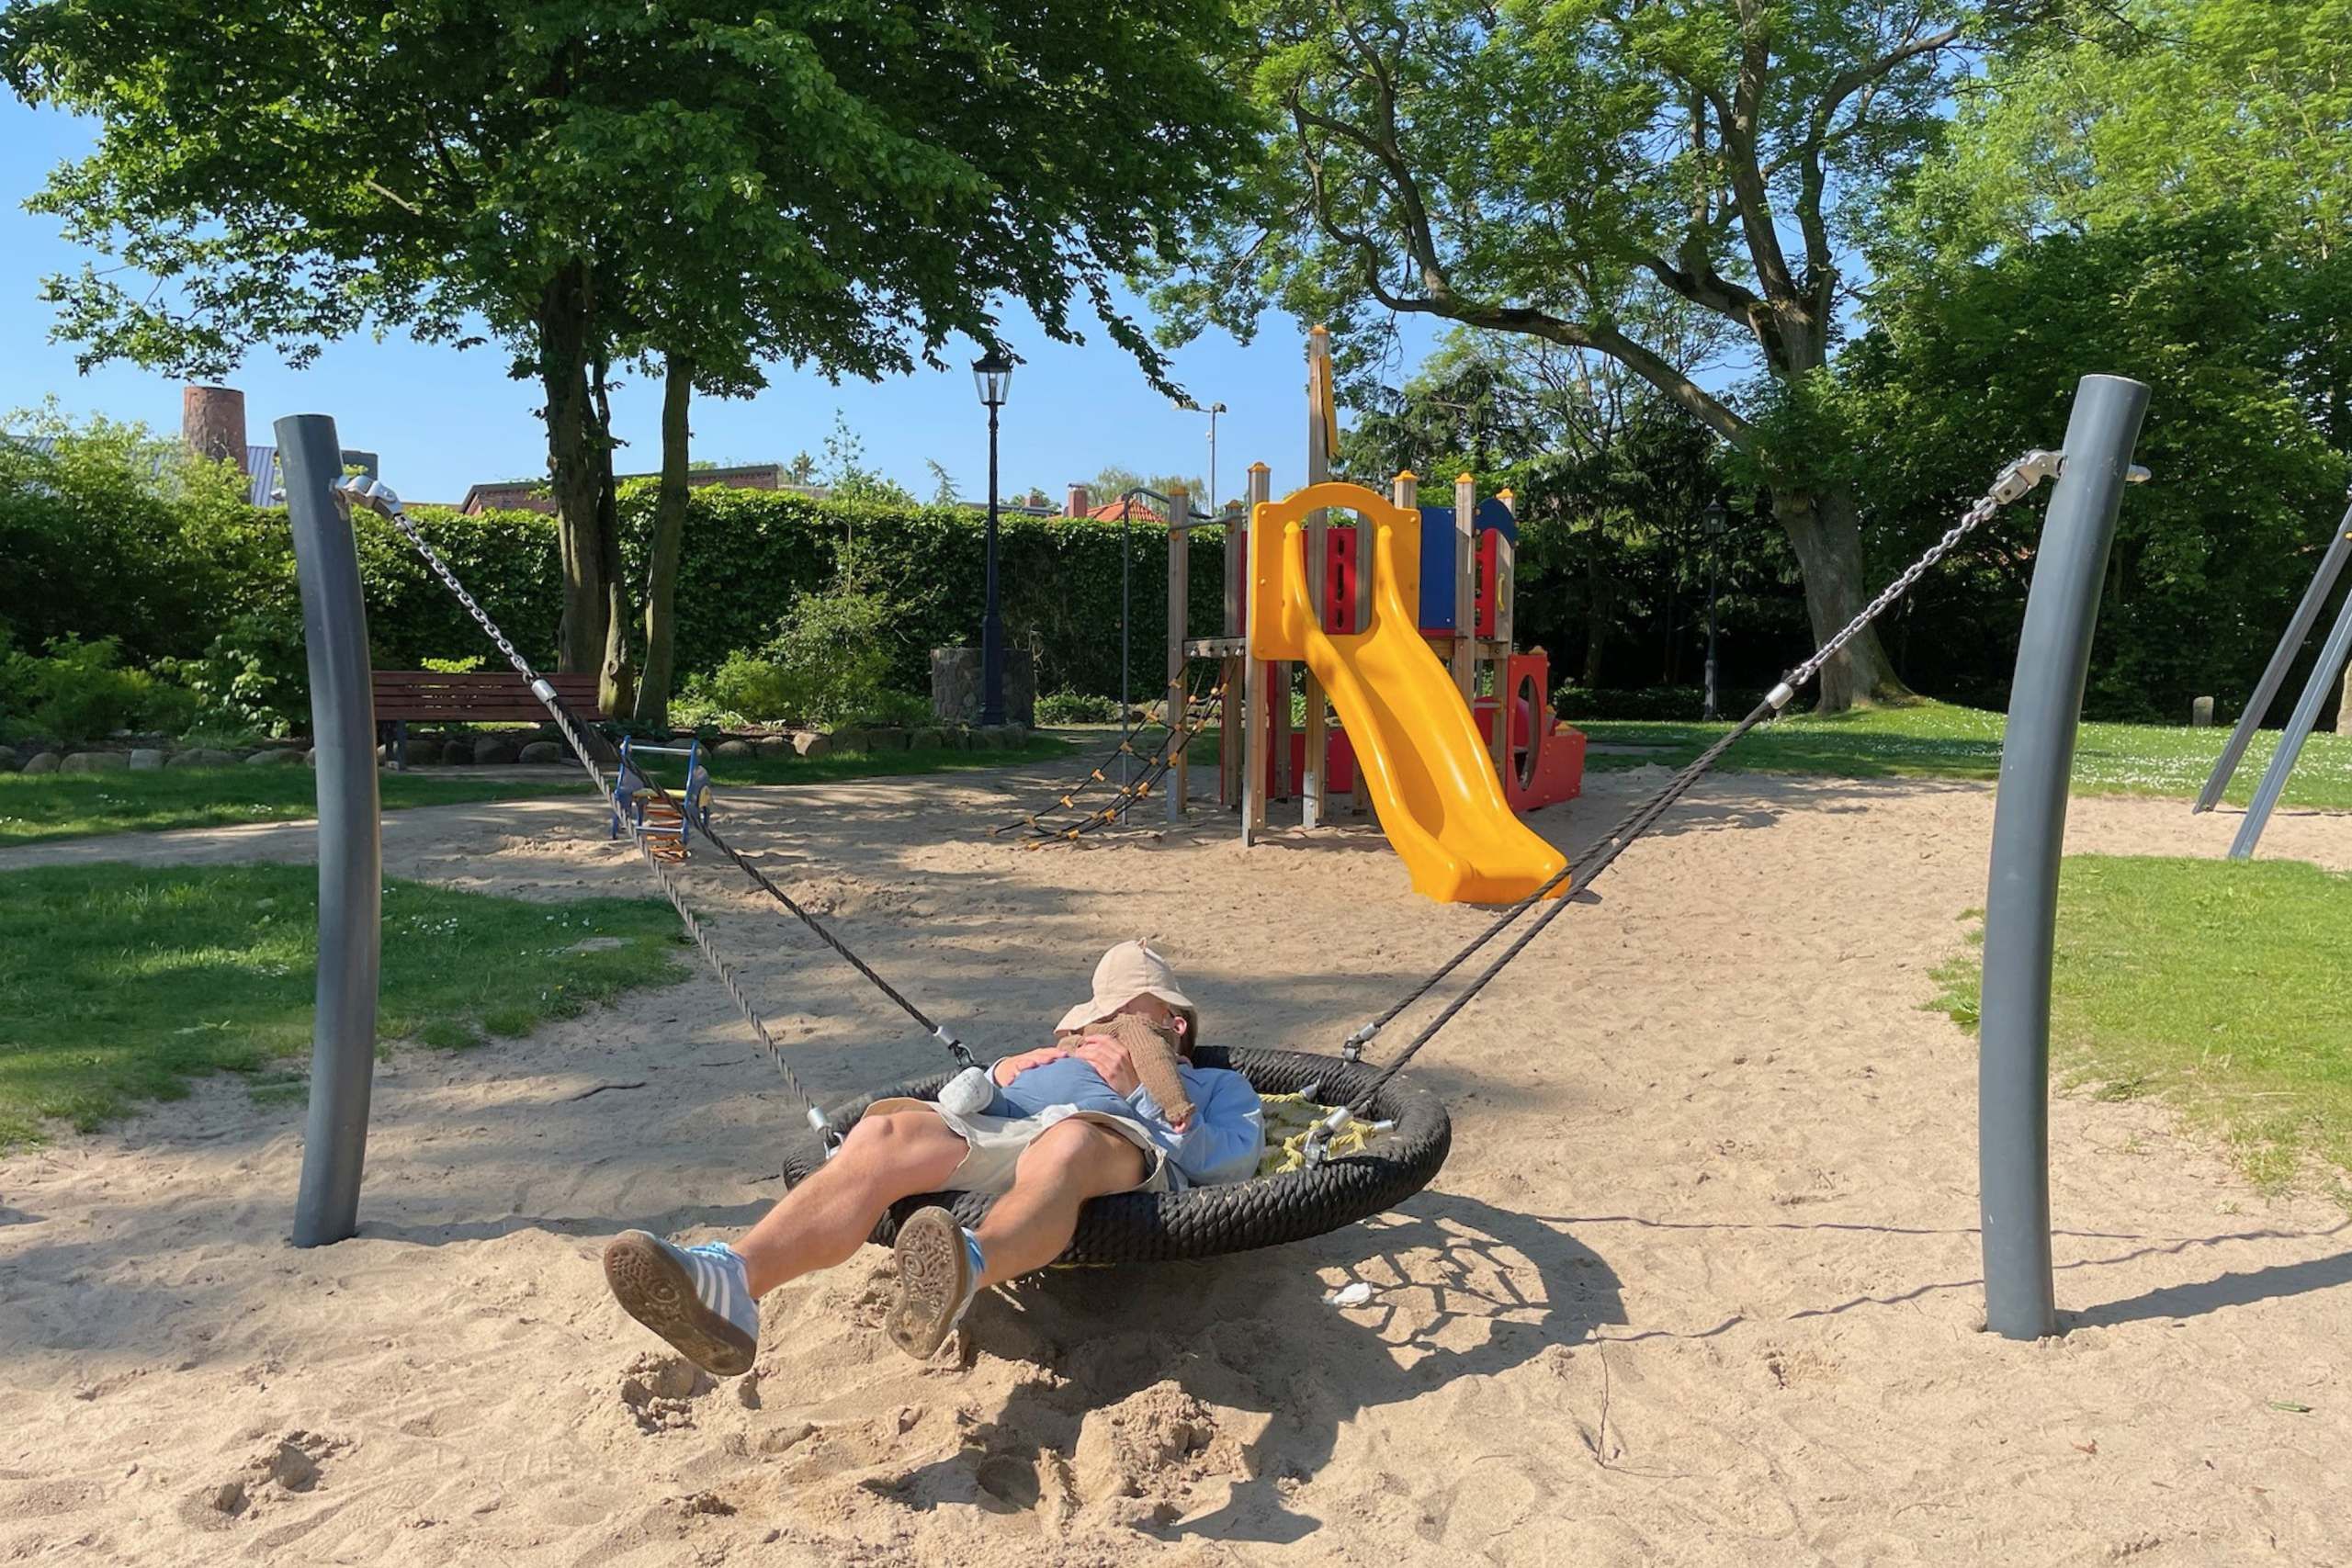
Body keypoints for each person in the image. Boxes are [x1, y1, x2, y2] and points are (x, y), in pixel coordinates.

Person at [602, 941, 1265, 1373]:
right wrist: (1009, 1067)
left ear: (1173, 1025)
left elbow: (1232, 1161)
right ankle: (733, 1281)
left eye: (1123, 1015)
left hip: (1115, 1145)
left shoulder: (1214, 1085)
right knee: (885, 1134)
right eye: (1096, 1019)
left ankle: (967, 1265)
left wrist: (1151, 1096)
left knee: (1069, 1144)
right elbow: (971, 1097)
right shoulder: (1061, 1052)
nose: (1102, 1028)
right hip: (1007, 1126)